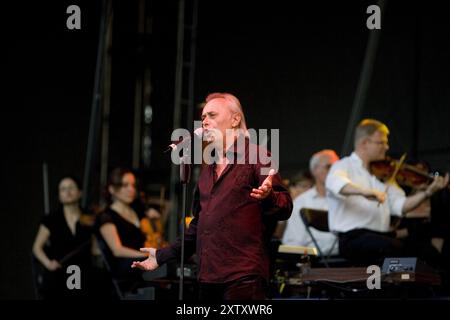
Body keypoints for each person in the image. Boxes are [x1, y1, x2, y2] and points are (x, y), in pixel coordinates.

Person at [132, 92, 293, 300]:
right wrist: (162, 256)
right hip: (208, 278)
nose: (205, 121)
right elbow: (199, 226)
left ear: (235, 119)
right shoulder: (208, 170)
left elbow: (286, 206)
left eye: (212, 115)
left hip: (243, 276)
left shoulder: (257, 156)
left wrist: (269, 196)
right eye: (203, 116)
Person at [325, 119, 449, 266]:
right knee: (394, 250)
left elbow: (400, 206)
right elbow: (336, 184)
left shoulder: (383, 174)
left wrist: (427, 192)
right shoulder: (343, 165)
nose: (386, 147)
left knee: (427, 252)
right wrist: (364, 192)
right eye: (381, 142)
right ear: (365, 143)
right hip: (354, 238)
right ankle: (389, 285)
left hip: (381, 236)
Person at [32, 176, 94, 299]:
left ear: (80, 192)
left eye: (71, 188)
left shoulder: (89, 218)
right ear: (59, 195)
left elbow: (95, 248)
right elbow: (37, 247)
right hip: (60, 271)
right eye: (63, 189)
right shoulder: (51, 219)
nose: (68, 192)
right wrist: (49, 263)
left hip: (84, 270)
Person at [96, 168, 155, 291]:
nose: (131, 189)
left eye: (133, 185)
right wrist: (147, 255)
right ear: (112, 189)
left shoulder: (137, 212)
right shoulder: (107, 216)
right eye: (125, 185)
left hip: (140, 265)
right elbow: (117, 250)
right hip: (124, 267)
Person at [282, 149, 339, 256]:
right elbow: (293, 243)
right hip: (314, 263)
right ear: (314, 170)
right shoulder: (301, 202)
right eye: (329, 166)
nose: (335, 170)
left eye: (338, 166)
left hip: (346, 260)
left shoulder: (346, 200)